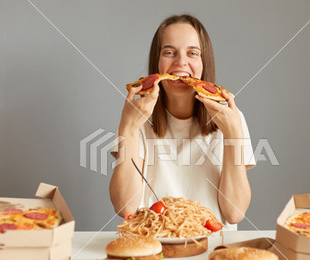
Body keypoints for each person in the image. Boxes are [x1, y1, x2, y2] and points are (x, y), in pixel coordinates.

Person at [109, 14, 255, 230]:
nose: (180, 62)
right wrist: (127, 128)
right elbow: (125, 206)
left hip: (212, 245)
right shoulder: (136, 116)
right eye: (169, 52)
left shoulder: (231, 118)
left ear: (204, 63)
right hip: (155, 242)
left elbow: (234, 213)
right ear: (157, 62)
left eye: (192, 53)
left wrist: (233, 134)